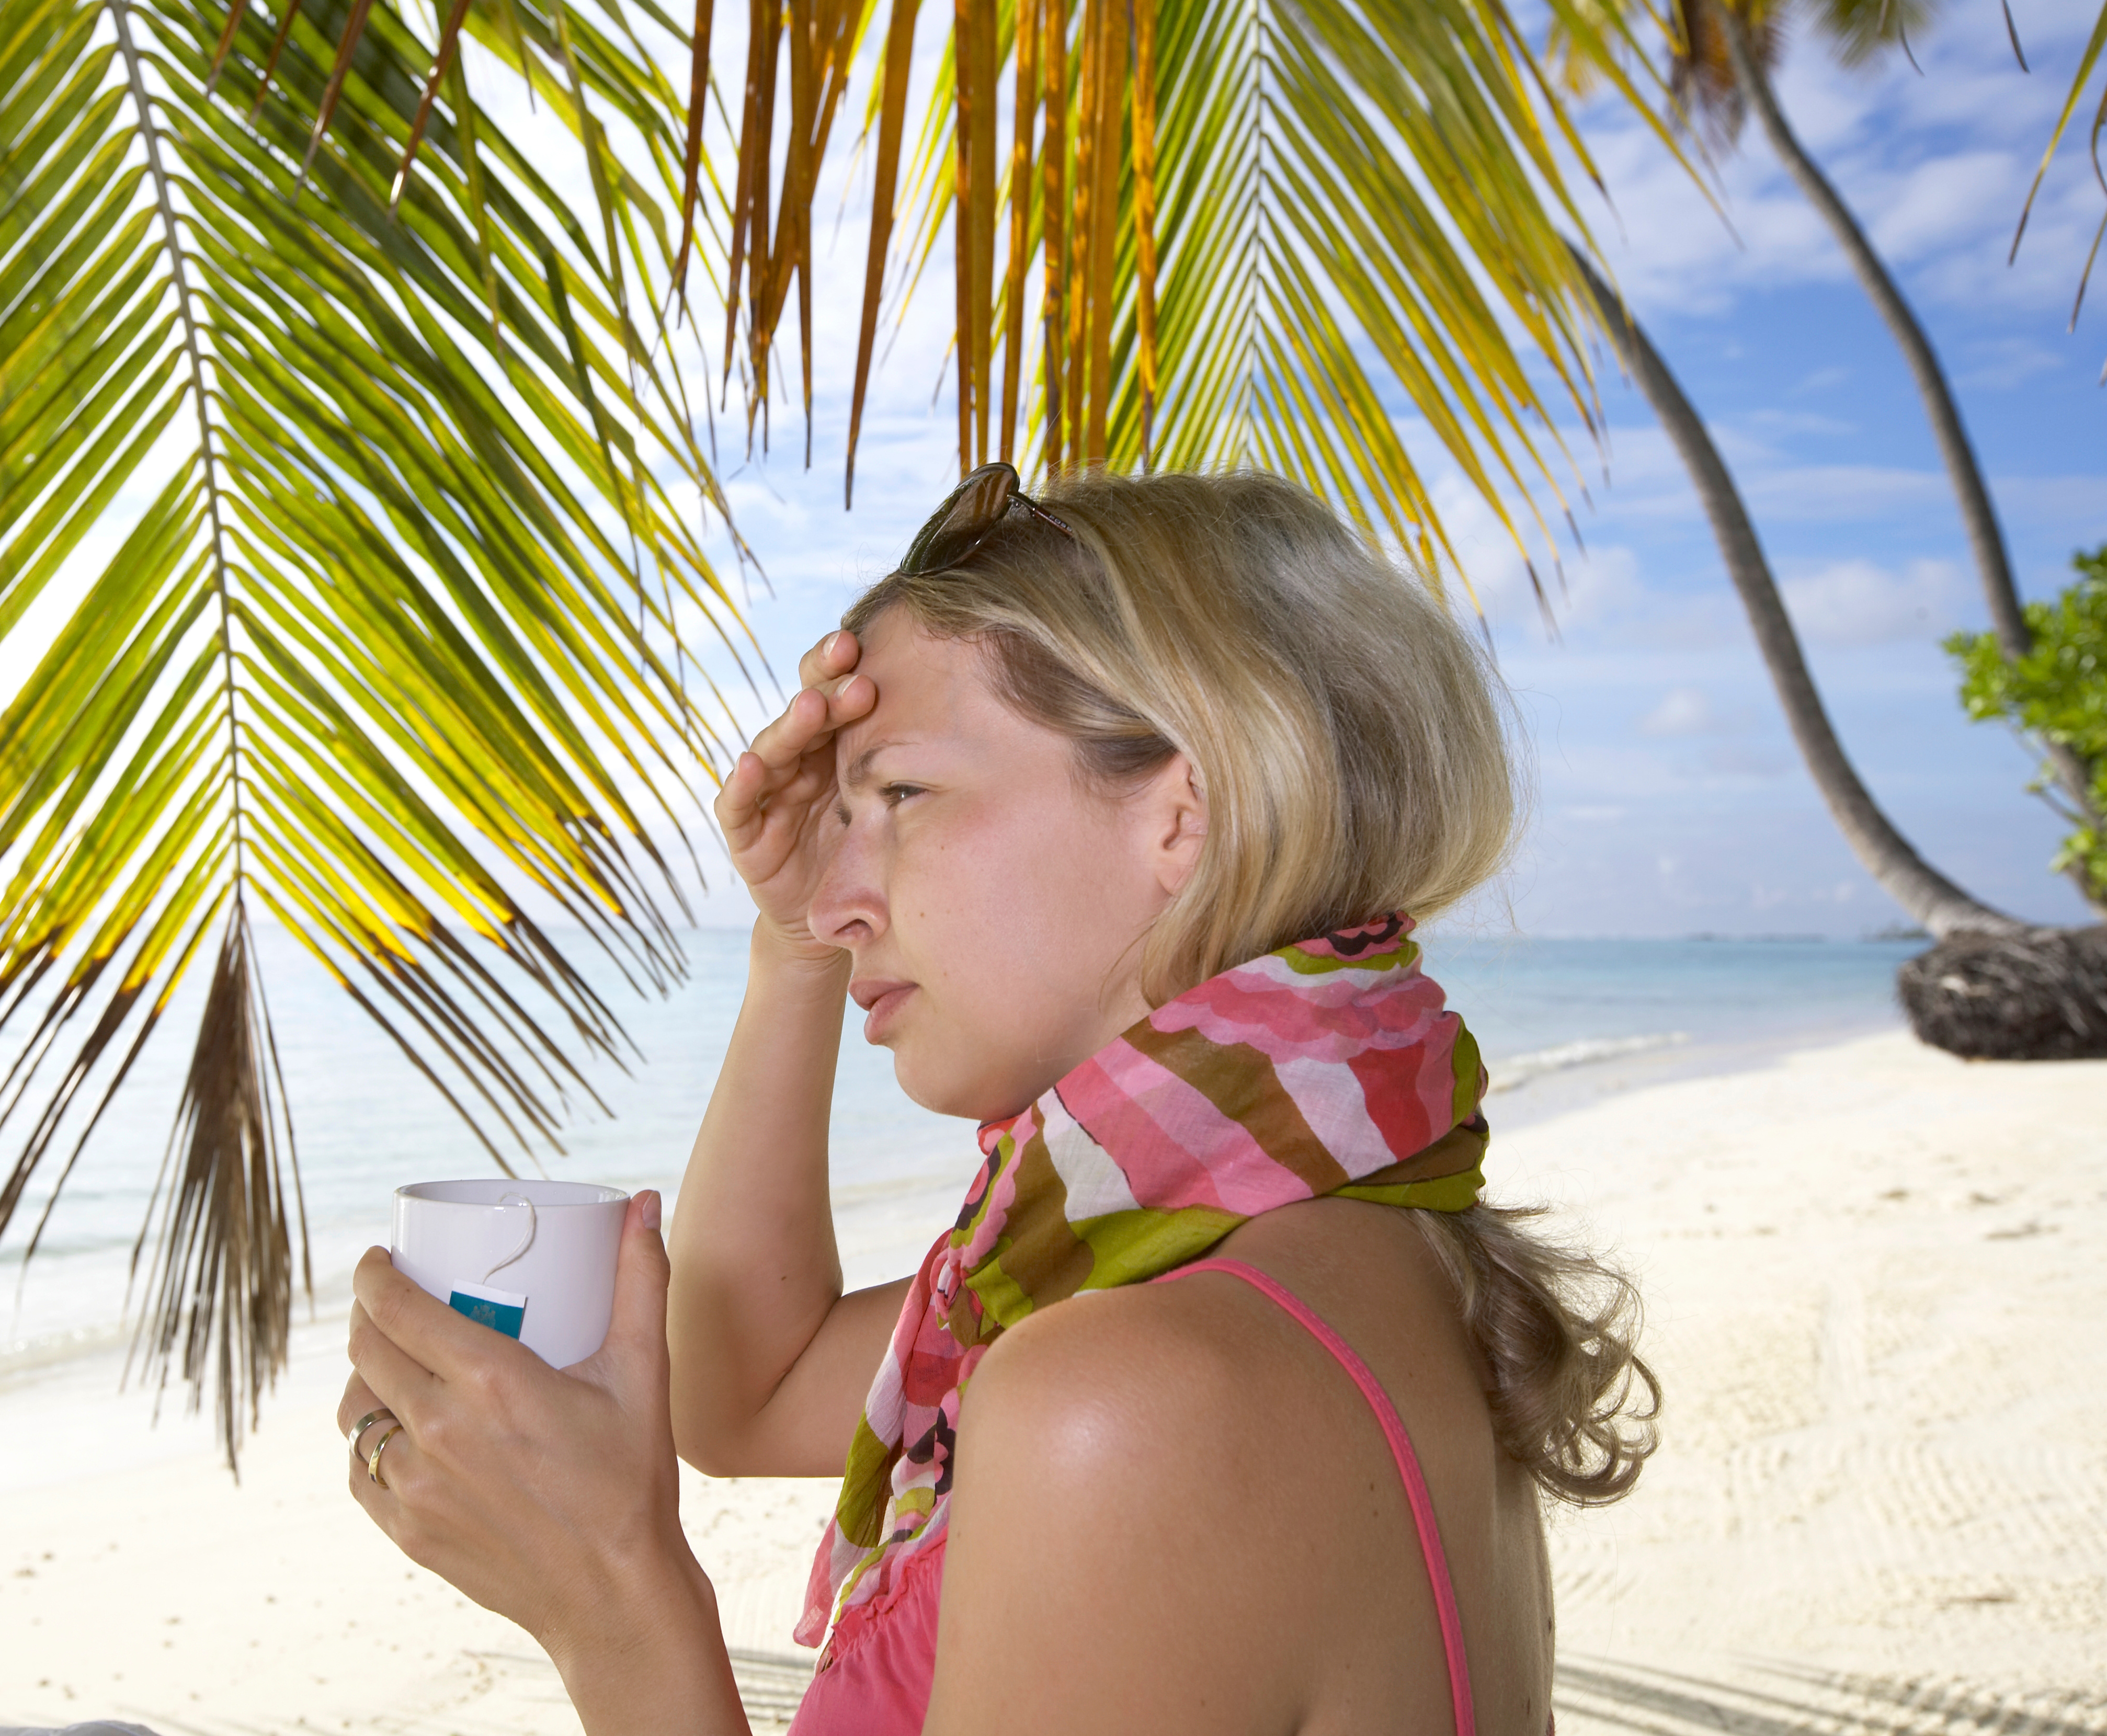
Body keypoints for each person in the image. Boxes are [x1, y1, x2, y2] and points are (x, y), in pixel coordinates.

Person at [337, 466, 1658, 1733]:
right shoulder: (1352, 1236)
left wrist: (608, 1609)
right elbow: (747, 1387)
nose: (847, 894)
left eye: (903, 794)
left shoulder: (1131, 1399)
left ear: (1180, 816)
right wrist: (797, 935)